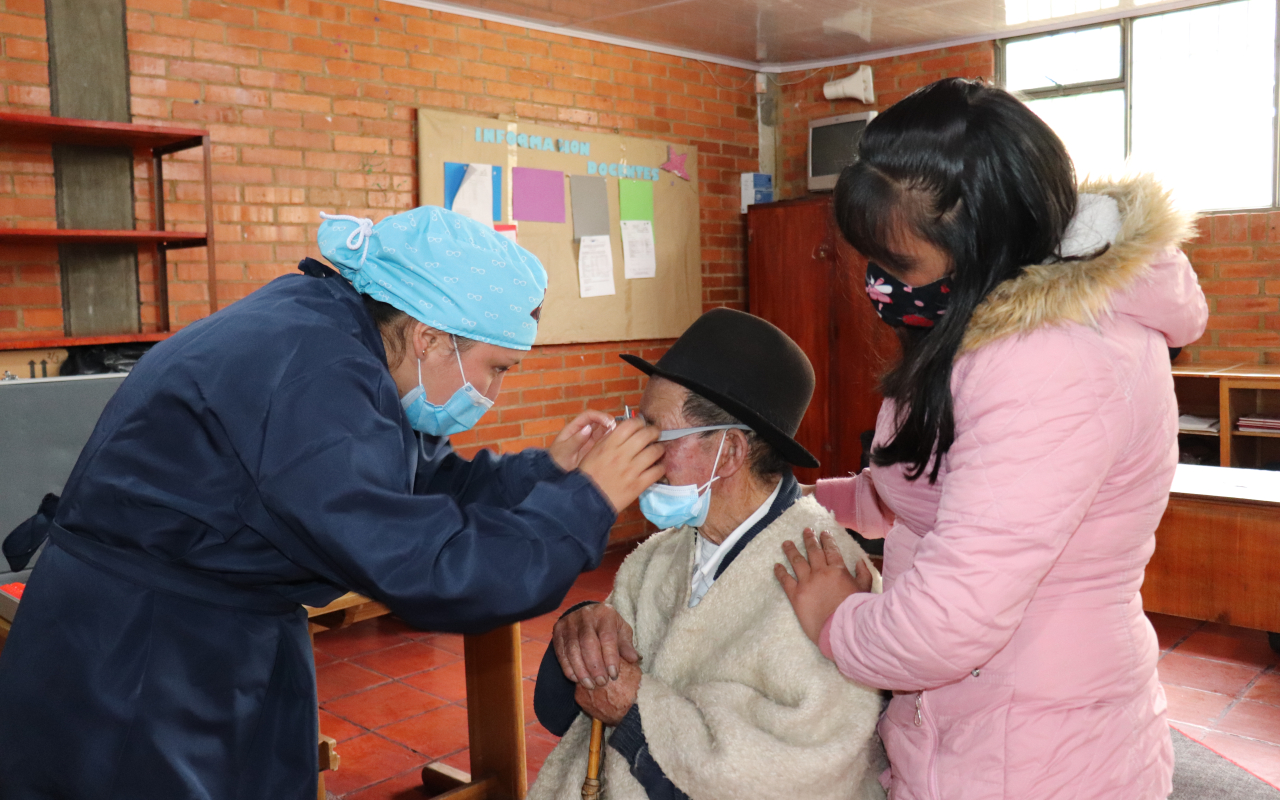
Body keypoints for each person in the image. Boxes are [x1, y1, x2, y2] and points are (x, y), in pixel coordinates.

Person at [0, 207, 664, 800]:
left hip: (222, 616)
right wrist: (588, 501)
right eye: (495, 367)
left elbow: (419, 480)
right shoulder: (314, 371)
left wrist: (547, 473)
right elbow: (429, 569)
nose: (493, 390)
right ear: (430, 337)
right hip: (140, 645)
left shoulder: (345, 335)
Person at [775, 78, 1209, 800]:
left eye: (899, 267)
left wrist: (836, 620)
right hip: (980, 721)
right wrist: (819, 502)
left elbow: (952, 619)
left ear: (984, 246)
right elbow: (942, 487)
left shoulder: (1054, 362)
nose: (879, 287)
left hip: (1031, 749)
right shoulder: (998, 328)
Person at [528, 308, 887, 800]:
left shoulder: (826, 572)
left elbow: (802, 769)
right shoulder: (662, 556)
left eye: (657, 434)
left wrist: (636, 710)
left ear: (732, 452)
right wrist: (581, 629)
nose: (638, 452)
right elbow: (559, 710)